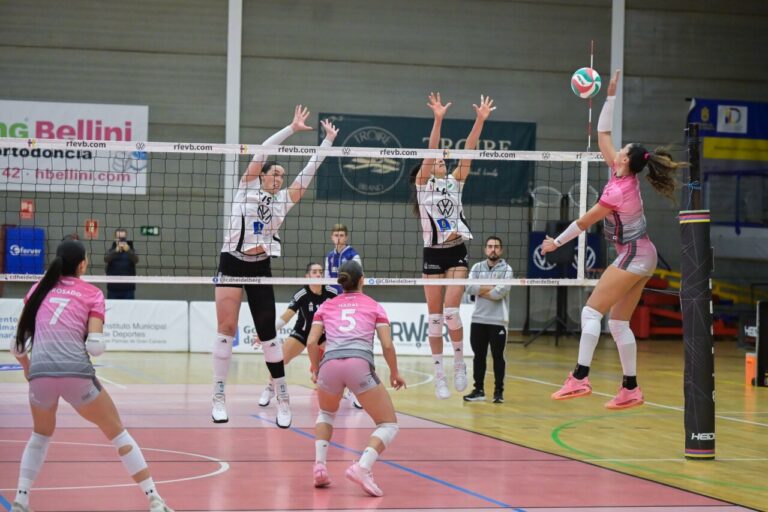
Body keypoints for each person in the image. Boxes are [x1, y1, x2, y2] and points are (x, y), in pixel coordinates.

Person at [542, 70, 686, 409]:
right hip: (642, 255)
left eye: (621, 150)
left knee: (591, 313)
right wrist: (610, 94)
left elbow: (583, 222)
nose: (616, 150)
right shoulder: (621, 172)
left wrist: (554, 244)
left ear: (625, 160)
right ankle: (631, 388)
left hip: (633, 255)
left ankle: (579, 378)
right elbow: (603, 132)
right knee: (618, 322)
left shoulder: (619, 191)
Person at [9, 240, 173, 512]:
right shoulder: (92, 293)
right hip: (76, 374)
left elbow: (17, 346)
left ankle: (21, 501)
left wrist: (29, 372)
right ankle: (155, 500)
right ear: (82, 264)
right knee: (118, 434)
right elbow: (95, 348)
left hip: (40, 375)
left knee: (40, 436)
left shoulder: (37, 290)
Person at [212, 105, 339, 427]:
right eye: (275, 173)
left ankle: (282, 396)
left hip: (259, 266)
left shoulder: (283, 199)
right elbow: (263, 151)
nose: (279, 178)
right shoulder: (245, 188)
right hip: (231, 261)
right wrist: (292, 129)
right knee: (226, 330)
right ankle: (218, 396)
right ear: (263, 175)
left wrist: (325, 145)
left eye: (282, 175)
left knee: (269, 335)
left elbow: (308, 173)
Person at [409, 92, 495, 399]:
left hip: (457, 251)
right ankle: (438, 373)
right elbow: (432, 150)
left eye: (445, 159)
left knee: (451, 314)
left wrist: (480, 120)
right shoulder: (422, 186)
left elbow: (469, 150)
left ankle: (459, 363)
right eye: (438, 160)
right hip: (432, 254)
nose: (442, 161)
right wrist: (438, 118)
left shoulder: (455, 182)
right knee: (434, 318)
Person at [306, 260, 406, 497]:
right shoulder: (374, 306)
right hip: (358, 364)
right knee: (388, 424)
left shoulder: (327, 305)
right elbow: (387, 345)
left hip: (329, 364)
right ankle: (362, 467)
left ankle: (320, 466)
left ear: (341, 283)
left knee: (326, 413)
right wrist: (394, 372)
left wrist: (315, 367)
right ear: (362, 280)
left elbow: (311, 342)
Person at [463, 236, 513, 404]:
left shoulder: (507, 269)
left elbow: (500, 293)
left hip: (498, 321)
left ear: (501, 250)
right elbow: (468, 287)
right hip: (478, 319)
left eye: (496, 246)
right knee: (479, 356)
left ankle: (498, 392)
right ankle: (479, 390)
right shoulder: (477, 267)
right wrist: (490, 287)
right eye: (490, 246)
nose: (493, 249)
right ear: (485, 249)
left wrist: (481, 289)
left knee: (498, 357)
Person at [324, 223, 362, 293]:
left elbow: (359, 280)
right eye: (336, 235)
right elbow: (326, 279)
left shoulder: (353, 256)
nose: (338, 238)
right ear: (332, 237)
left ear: (346, 237)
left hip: (348, 295)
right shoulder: (329, 257)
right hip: (332, 295)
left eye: (341, 235)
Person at [105, 228, 138, 300]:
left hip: (128, 289)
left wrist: (128, 250)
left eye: (123, 238)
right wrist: (115, 251)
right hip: (112, 288)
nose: (121, 241)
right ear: (115, 239)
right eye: (119, 238)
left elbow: (136, 260)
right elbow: (106, 259)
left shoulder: (131, 250)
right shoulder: (111, 250)